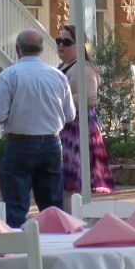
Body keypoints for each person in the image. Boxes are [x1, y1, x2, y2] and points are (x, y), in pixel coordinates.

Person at [0, 27, 74, 227]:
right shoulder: (57, 75)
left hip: (20, 143)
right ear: (41, 49)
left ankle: (20, 249)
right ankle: (52, 251)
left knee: (15, 206)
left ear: (18, 49)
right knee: (53, 206)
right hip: (51, 143)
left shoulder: (9, 75)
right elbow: (70, 115)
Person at [53, 25, 112, 199]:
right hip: (67, 127)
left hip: (79, 129)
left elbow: (90, 99)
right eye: (59, 41)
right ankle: (66, 219)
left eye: (66, 42)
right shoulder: (65, 65)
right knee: (66, 181)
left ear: (80, 46)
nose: (60, 45)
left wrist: (58, 101)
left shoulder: (84, 69)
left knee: (74, 181)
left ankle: (75, 220)